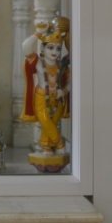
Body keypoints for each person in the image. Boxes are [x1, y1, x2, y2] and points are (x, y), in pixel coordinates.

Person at [20, 18, 70, 157]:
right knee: (45, 120)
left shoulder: (61, 65)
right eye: (50, 47)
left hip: (58, 97)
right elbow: (25, 46)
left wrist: (64, 90)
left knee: (53, 122)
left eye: (58, 48)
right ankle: (60, 142)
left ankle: (46, 147)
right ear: (43, 48)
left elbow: (70, 81)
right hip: (41, 96)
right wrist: (38, 33)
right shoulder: (37, 62)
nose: (54, 51)